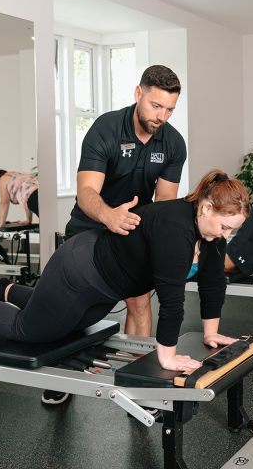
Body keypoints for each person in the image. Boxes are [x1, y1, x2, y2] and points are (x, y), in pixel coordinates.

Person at [0, 170, 249, 375]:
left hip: (104, 287)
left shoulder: (211, 234)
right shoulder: (176, 228)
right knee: (30, 331)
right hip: (80, 270)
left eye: (231, 230)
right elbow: (172, 298)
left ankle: (5, 290)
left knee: (72, 327)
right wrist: (167, 358)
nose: (225, 235)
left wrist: (210, 332)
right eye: (225, 227)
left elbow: (211, 281)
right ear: (206, 208)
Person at [65, 64, 186, 342]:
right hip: (90, 225)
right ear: (137, 93)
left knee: (140, 303)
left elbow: (165, 201)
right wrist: (109, 216)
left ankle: (135, 372)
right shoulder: (105, 129)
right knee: (78, 306)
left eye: (169, 110)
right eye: (156, 106)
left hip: (133, 228)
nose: (161, 117)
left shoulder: (173, 143)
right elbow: (85, 192)